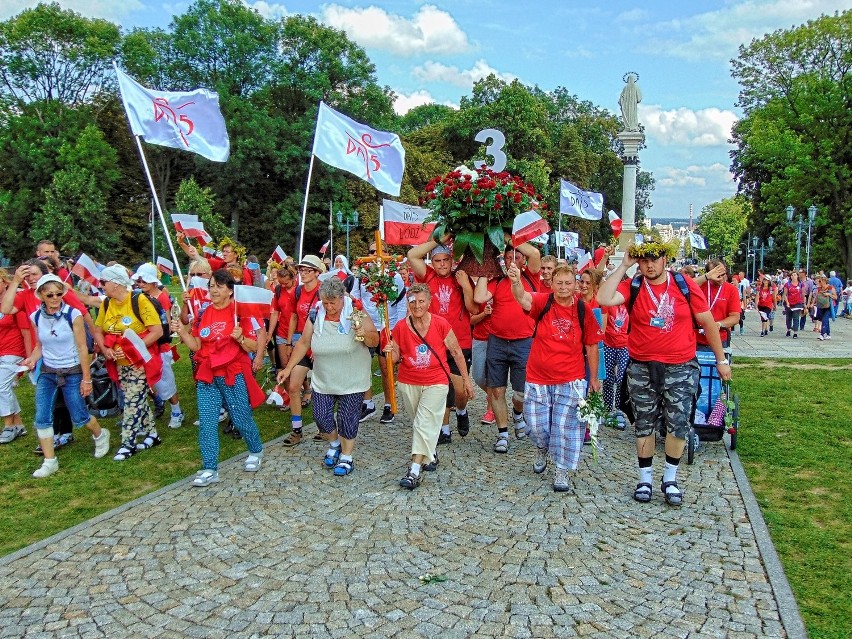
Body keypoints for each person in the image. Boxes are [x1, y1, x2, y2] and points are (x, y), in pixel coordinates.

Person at [597, 242, 731, 507]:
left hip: (680, 366)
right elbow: (602, 298)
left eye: (654, 259)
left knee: (678, 424)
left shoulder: (683, 284)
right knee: (644, 423)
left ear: (664, 259)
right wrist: (624, 265)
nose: (649, 265)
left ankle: (670, 478)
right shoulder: (634, 285)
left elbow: (707, 322)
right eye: (644, 260)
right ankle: (644, 479)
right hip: (642, 366)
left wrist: (720, 360)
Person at [508, 263, 603, 491]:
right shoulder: (543, 301)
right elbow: (522, 299)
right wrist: (515, 281)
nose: (563, 287)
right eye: (559, 282)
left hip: (571, 379)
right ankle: (541, 447)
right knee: (536, 425)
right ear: (551, 283)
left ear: (575, 285)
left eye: (568, 283)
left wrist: (594, 378)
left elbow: (592, 345)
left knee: (565, 428)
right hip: (538, 377)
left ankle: (562, 470)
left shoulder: (583, 309)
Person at [171, 269, 265, 486]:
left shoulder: (240, 312)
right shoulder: (204, 312)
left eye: (219, 286)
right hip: (208, 374)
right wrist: (183, 333)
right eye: (211, 285)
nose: (213, 290)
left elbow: (253, 344)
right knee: (207, 422)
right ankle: (210, 468)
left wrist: (241, 337)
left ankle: (255, 450)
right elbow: (196, 345)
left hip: (233, 372)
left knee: (241, 417)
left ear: (230, 291)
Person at [277, 278, 379, 476]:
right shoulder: (316, 314)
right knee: (321, 416)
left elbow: (374, 338)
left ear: (342, 298)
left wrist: (363, 334)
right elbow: (304, 343)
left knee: (347, 418)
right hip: (324, 376)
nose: (329, 306)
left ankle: (347, 456)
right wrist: (288, 368)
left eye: (333, 302)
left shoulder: (355, 311)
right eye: (325, 302)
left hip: (352, 377)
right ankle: (334, 444)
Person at [383, 284, 473, 490]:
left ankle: (414, 470)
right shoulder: (400, 327)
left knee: (424, 422)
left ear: (429, 302)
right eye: (412, 301)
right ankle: (430, 454)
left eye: (421, 301)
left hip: (436, 381)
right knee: (421, 423)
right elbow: (396, 356)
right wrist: (390, 351)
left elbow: (457, 352)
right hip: (409, 381)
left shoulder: (440, 324)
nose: (417, 305)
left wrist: (466, 380)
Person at [22, 274, 111, 477]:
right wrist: (31, 359)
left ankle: (100, 434)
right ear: (42, 295)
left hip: (72, 371)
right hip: (48, 372)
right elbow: (40, 346)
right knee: (42, 417)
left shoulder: (73, 315)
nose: (55, 298)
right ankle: (49, 461)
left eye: (59, 294)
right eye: (50, 294)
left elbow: (82, 348)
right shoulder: (36, 317)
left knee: (79, 416)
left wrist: (86, 378)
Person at [473, 241, 541, 453]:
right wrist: (486, 267)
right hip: (498, 341)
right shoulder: (499, 281)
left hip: (524, 341)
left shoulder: (531, 276)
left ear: (524, 261)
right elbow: (479, 297)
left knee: (521, 393)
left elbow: (535, 253)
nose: (513, 260)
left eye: (517, 256)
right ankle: (503, 433)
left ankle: (518, 414)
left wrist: (512, 237)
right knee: (497, 390)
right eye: (509, 256)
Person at [407, 239, 477, 440]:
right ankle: (444, 428)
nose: (442, 264)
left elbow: (472, 308)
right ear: (432, 262)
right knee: (440, 387)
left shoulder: (460, 277)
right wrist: (439, 239)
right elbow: (413, 255)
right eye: (437, 261)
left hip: (460, 340)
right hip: (435, 341)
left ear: (452, 259)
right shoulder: (427, 276)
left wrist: (465, 287)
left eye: (446, 260)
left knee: (460, 389)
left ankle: (462, 411)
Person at [93, 264, 163, 461]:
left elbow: (156, 331)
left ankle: (128, 443)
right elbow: (98, 330)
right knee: (137, 397)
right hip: (119, 362)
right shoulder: (107, 303)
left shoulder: (139, 300)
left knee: (132, 401)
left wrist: (130, 348)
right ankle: (153, 434)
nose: (101, 286)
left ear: (115, 284)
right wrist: (105, 349)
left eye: (103, 282)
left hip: (139, 362)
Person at [131, 263, 185, 429]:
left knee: (165, 380)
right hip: (146, 345)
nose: (141, 283)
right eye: (139, 280)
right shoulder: (139, 296)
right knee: (149, 382)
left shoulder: (161, 296)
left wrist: (160, 337)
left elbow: (165, 323)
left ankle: (176, 411)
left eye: (144, 280)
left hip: (160, 346)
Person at [282, 255, 325, 446]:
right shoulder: (298, 291)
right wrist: (290, 342)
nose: (303, 274)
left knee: (322, 388)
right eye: (301, 270)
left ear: (317, 273)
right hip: (302, 342)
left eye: (308, 271)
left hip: (320, 343)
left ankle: (324, 427)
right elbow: (293, 316)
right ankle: (297, 430)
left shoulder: (323, 291)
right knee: (293, 386)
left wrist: (321, 345)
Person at [0, 268, 27, 445]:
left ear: (4, 281)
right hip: (1, 349)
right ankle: (19, 424)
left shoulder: (16, 298)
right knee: (4, 387)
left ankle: (9, 426)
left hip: (15, 350)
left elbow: (26, 330)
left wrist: (29, 354)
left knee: (1, 386)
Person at [694, 260, 741, 347]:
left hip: (720, 339)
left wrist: (719, 324)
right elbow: (686, 285)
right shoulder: (700, 286)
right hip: (697, 338)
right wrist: (706, 277)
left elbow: (735, 317)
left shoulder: (731, 290)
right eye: (717, 275)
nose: (721, 278)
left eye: (723, 274)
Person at [782, 271, 805, 338]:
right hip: (789, 303)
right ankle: (788, 329)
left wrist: (803, 302)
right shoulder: (787, 284)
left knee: (796, 317)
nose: (793, 276)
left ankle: (795, 332)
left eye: (794, 275)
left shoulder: (801, 284)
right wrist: (787, 302)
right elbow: (785, 294)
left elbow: (803, 294)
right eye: (792, 275)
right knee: (788, 317)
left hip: (798, 303)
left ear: (797, 276)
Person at [814, 275, 837, 340]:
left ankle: (822, 334)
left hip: (829, 306)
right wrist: (813, 303)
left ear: (824, 281)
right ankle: (828, 334)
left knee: (824, 319)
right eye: (819, 281)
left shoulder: (830, 287)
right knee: (825, 320)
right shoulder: (819, 288)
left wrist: (829, 294)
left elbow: (835, 297)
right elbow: (816, 296)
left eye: (820, 281)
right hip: (821, 306)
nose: (819, 283)